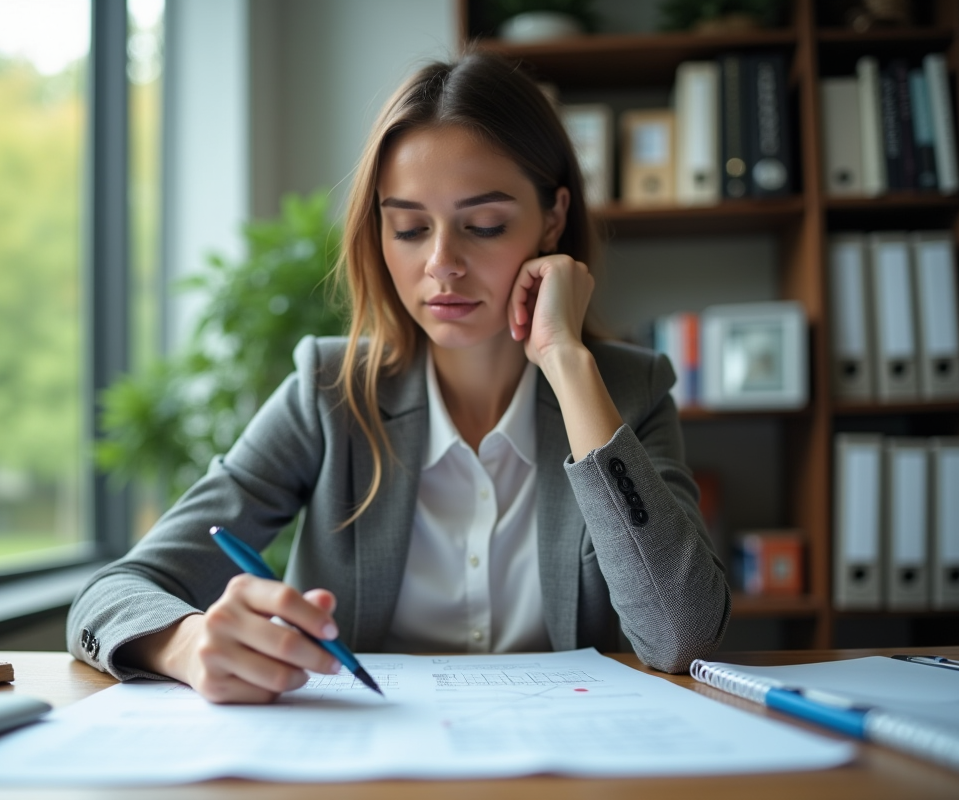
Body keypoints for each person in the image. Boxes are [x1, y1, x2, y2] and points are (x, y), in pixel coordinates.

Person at [68, 51, 730, 703]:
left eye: (484, 224)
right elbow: (107, 598)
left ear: (552, 218)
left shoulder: (628, 391)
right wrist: (186, 644)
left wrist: (566, 361)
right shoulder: (328, 392)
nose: (442, 263)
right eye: (409, 228)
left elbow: (681, 637)